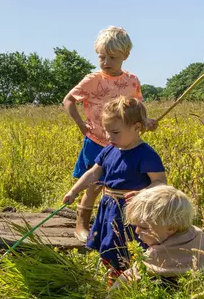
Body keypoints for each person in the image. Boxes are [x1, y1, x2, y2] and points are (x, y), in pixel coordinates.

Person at [85, 185, 204, 299]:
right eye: (136, 226)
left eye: (144, 228)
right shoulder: (195, 233)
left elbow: (128, 279)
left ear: (171, 228)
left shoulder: (163, 253)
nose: (137, 232)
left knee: (149, 281)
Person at [63, 26, 156, 242]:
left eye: (112, 57)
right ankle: (81, 224)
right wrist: (80, 124)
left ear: (126, 56)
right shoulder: (93, 80)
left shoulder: (131, 80)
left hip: (123, 143)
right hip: (97, 140)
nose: (106, 62)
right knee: (94, 185)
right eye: (101, 57)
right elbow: (68, 100)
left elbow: (137, 107)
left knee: (116, 184)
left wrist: (145, 121)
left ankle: (113, 225)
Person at [63, 97, 166, 285]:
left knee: (128, 246)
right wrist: (74, 191)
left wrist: (143, 195)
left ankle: (129, 281)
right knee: (108, 242)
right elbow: (93, 173)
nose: (109, 137)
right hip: (108, 207)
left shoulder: (146, 154)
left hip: (131, 210)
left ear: (136, 128)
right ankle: (110, 275)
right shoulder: (110, 149)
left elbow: (160, 182)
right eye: (107, 131)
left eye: (115, 132)